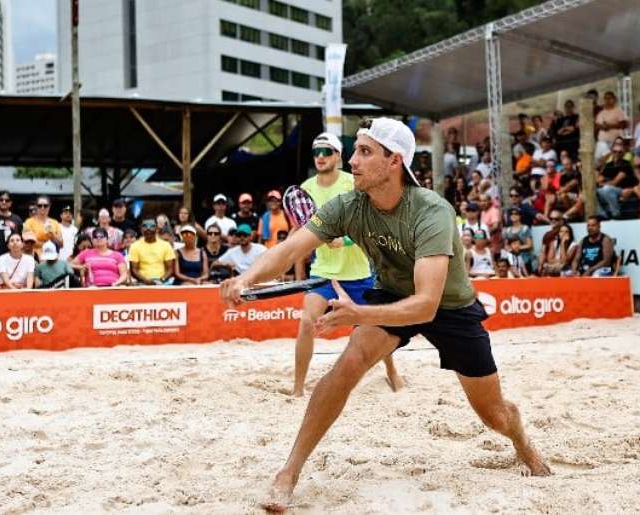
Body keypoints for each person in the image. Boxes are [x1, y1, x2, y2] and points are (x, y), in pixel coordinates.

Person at [220, 117, 550, 511]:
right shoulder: (349, 205)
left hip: (450, 307)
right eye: (355, 150)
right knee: (346, 366)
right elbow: (291, 249)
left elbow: (427, 303)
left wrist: (355, 311)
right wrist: (248, 278)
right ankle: (288, 472)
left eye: (364, 151)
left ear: (394, 161)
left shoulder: (431, 211)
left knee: (494, 415)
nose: (353, 161)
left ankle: (522, 443)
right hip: (390, 293)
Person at [291, 132, 396, 398]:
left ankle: (393, 373)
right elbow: (299, 236)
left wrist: (345, 241)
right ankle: (297, 388)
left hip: (359, 273)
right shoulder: (306, 189)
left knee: (376, 330)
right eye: (316, 152)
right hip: (323, 274)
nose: (321, 157)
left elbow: (374, 220)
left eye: (327, 151)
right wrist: (298, 274)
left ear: (338, 155)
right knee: (306, 322)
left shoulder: (354, 183)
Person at [597, 141, 639, 219]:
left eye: (620, 152)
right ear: (612, 152)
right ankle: (602, 214)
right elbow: (599, 180)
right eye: (615, 151)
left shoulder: (625, 164)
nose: (617, 154)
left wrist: (606, 181)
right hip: (611, 189)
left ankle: (616, 213)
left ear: (623, 154)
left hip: (622, 189)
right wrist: (605, 182)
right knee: (591, 192)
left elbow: (615, 182)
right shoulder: (609, 165)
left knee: (607, 189)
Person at [128, 219, 176, 285]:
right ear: (141, 229)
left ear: (156, 229)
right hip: (142, 282)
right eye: (145, 226)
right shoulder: (134, 246)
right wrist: (146, 281)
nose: (148, 229)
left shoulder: (166, 245)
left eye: (152, 226)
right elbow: (134, 270)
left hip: (163, 282)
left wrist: (162, 280)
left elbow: (170, 269)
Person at [594, 91, 628, 161]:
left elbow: (624, 124)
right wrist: (602, 127)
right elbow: (596, 126)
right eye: (605, 98)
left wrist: (609, 126)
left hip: (614, 141)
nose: (607, 100)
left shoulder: (618, 111)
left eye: (609, 98)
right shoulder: (600, 113)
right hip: (602, 141)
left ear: (614, 99)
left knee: (612, 160)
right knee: (598, 160)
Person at [502, 208, 533, 273]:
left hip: (525, 259)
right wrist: (510, 249)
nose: (513, 215)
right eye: (511, 214)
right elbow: (505, 245)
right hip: (512, 261)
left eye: (516, 214)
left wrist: (516, 248)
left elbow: (529, 245)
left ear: (520, 216)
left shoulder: (525, 228)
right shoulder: (508, 230)